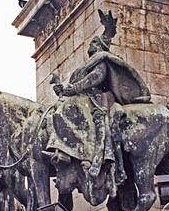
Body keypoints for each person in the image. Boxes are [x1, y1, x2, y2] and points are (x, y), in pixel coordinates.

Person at [48, 10, 151, 188]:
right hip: (87, 97)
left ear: (100, 47)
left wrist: (72, 89)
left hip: (100, 98)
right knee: (61, 110)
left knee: (74, 112)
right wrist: (63, 89)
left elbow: (95, 78)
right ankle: (69, 149)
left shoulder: (102, 60)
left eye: (94, 43)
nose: (91, 46)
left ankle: (91, 156)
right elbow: (79, 83)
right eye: (92, 44)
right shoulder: (90, 63)